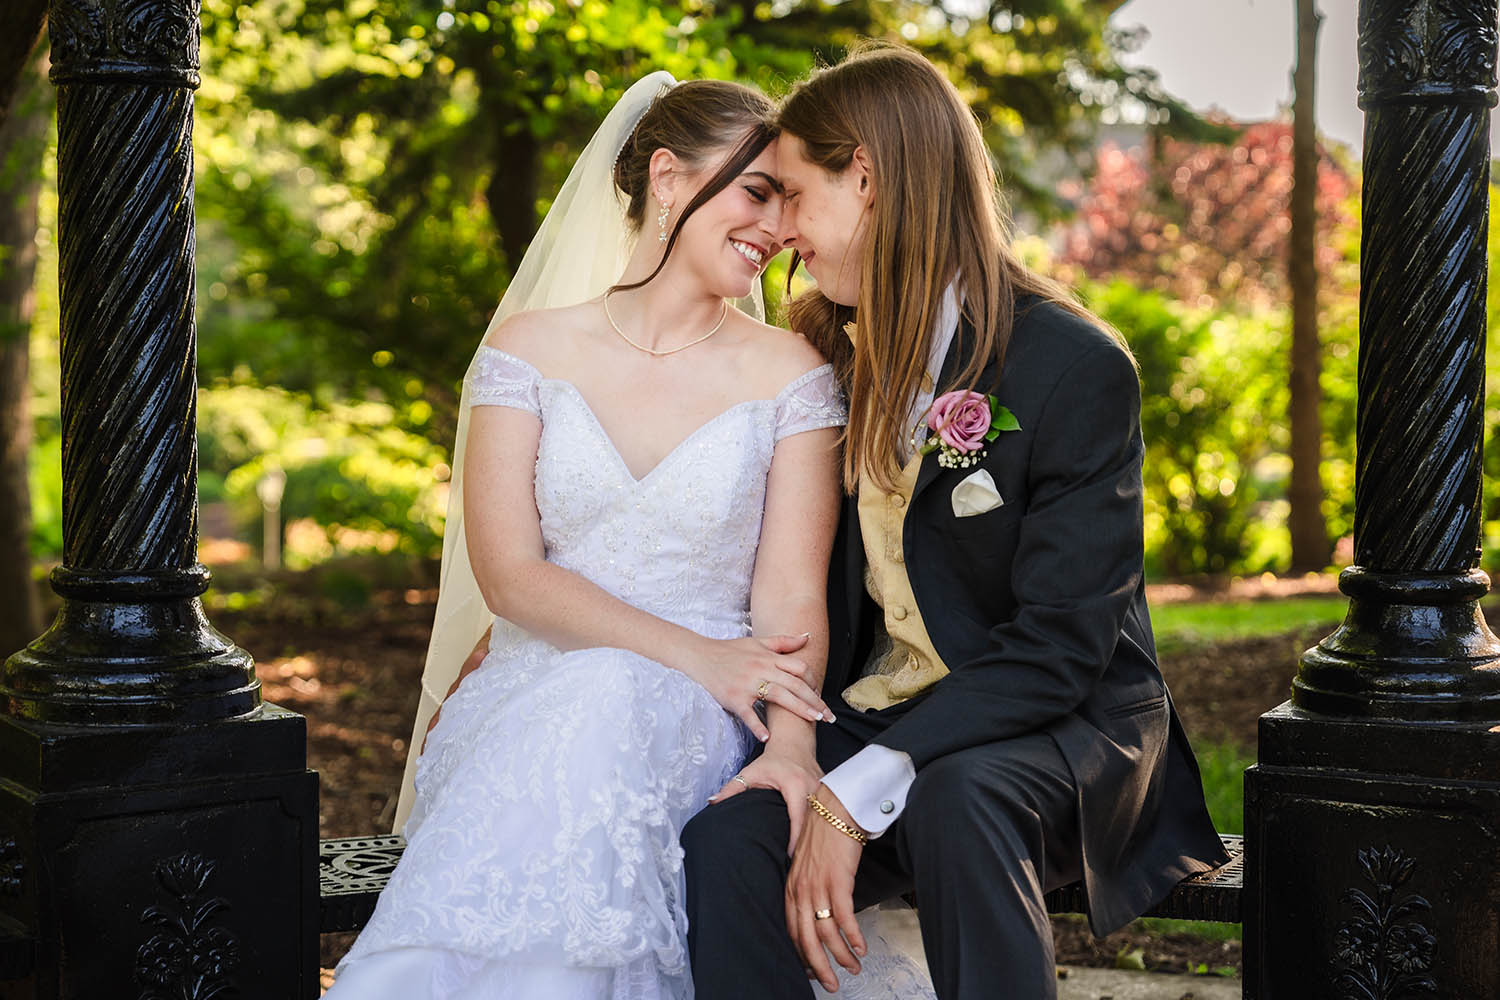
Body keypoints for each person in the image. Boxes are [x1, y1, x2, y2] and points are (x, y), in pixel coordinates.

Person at [682, 43, 1229, 1000]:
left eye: (796, 195)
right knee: (732, 834)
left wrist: (853, 795)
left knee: (959, 798)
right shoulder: (820, 348)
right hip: (888, 709)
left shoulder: (1071, 365)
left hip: (1061, 727)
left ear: (869, 179)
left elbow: (1063, 647)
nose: (784, 233)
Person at [325, 72, 850, 1000]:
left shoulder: (791, 374)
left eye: (789, 202)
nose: (777, 228)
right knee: (594, 701)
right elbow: (513, 579)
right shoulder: (528, 351)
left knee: (608, 707)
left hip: (707, 713)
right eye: (756, 192)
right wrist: (701, 655)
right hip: (537, 689)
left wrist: (790, 744)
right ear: (668, 178)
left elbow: (790, 600)